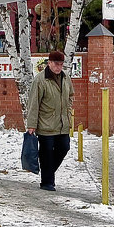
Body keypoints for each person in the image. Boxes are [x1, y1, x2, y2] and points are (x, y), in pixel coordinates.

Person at [25, 50, 74, 191]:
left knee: (64, 147)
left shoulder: (66, 78)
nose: (58, 67)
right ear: (49, 63)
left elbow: (71, 94)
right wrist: (31, 125)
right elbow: (33, 103)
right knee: (46, 153)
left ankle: (48, 172)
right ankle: (47, 183)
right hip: (45, 123)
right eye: (56, 64)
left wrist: (68, 109)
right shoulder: (40, 80)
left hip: (62, 123)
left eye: (61, 64)